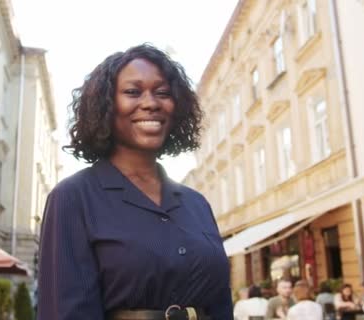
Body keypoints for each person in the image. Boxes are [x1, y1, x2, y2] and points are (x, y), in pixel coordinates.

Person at [37, 44, 232, 320]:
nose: (151, 102)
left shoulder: (197, 204)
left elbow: (221, 304)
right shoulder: (73, 197)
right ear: (106, 105)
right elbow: (67, 312)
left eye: (162, 93)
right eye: (133, 92)